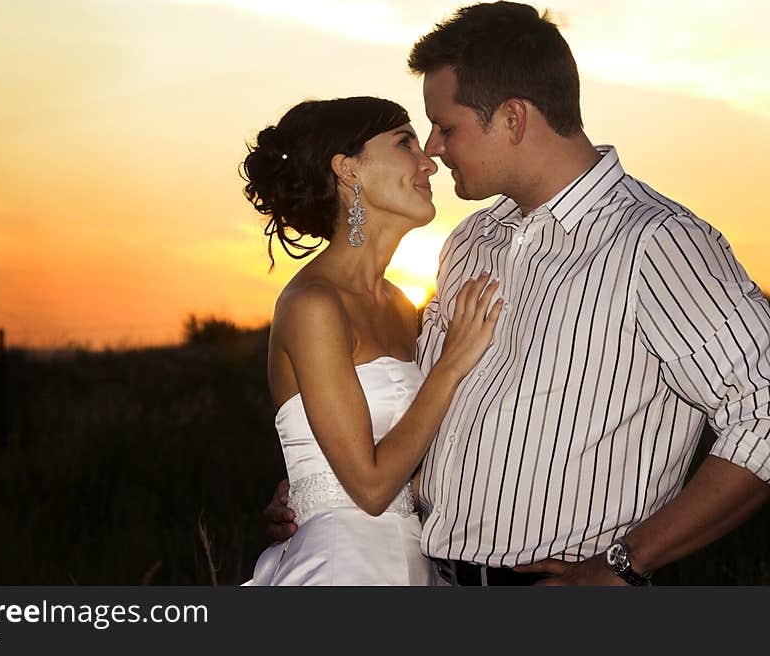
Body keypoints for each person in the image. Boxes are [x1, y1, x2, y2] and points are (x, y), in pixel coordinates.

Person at [265, 2, 770, 585]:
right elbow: (423, 425)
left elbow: (762, 412)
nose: (434, 148)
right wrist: (321, 489)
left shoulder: (656, 244)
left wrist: (623, 566)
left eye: (446, 127)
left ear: (512, 119)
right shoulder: (469, 243)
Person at [241, 96, 504, 585]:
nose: (429, 161)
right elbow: (371, 486)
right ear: (347, 171)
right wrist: (450, 365)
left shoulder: (402, 305)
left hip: (414, 561)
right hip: (343, 566)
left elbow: (418, 451)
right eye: (405, 143)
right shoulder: (312, 305)